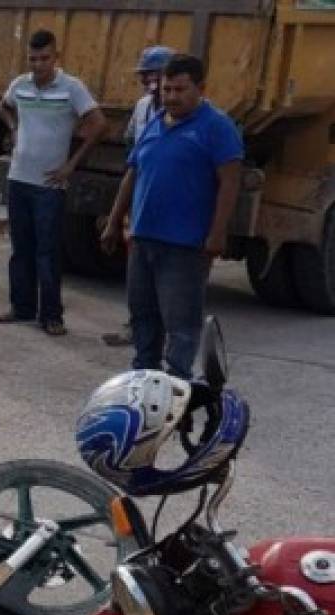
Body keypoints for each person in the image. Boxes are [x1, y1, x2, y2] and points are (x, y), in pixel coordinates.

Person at [100, 54, 242, 379]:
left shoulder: (217, 127)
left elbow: (230, 182)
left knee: (180, 324)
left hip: (185, 246)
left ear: (201, 88)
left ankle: (176, 388)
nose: (172, 97)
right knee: (142, 316)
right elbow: (133, 173)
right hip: (143, 239)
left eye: (180, 90)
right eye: (167, 90)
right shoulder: (155, 120)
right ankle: (145, 380)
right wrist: (113, 222)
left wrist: (217, 233)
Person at [0, 29, 107, 336]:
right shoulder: (20, 85)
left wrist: (71, 164)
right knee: (21, 249)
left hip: (50, 186)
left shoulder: (71, 88)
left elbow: (98, 123)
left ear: (57, 57)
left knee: (48, 252)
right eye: (33, 59)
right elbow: (3, 107)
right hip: (18, 179)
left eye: (44, 58)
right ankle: (22, 307)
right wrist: (13, 126)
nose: (38, 65)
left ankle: (52, 315)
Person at [102, 44, 174, 349]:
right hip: (143, 194)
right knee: (139, 265)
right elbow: (132, 148)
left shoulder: (185, 110)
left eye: (153, 74)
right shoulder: (143, 107)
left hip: (171, 199)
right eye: (144, 75)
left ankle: (169, 329)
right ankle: (138, 325)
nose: (148, 81)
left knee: (170, 268)